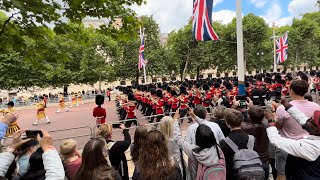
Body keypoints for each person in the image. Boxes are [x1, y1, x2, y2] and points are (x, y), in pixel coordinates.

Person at [274, 80, 320, 180]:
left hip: (287, 146)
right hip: (311, 148)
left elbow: (278, 126)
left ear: (291, 91)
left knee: (282, 175)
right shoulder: (316, 107)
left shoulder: (281, 108)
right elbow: (301, 117)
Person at [173, 109, 226, 180]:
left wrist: (175, 120)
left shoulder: (193, 151)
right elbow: (208, 127)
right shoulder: (217, 148)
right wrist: (194, 117)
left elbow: (177, 138)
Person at [0, 129, 65, 179]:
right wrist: (47, 147)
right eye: (38, 146)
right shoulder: (26, 163)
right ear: (31, 148)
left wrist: (11, 148)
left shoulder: (20, 158)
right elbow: (56, 176)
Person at [219, 108, 257, 180]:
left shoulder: (223, 142)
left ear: (227, 123)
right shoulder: (252, 139)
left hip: (233, 175)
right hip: (253, 174)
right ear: (241, 121)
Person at [242, 105, 270, 179]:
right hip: (264, 159)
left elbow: (235, 119)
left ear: (249, 116)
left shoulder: (245, 128)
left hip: (252, 161)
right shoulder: (267, 125)